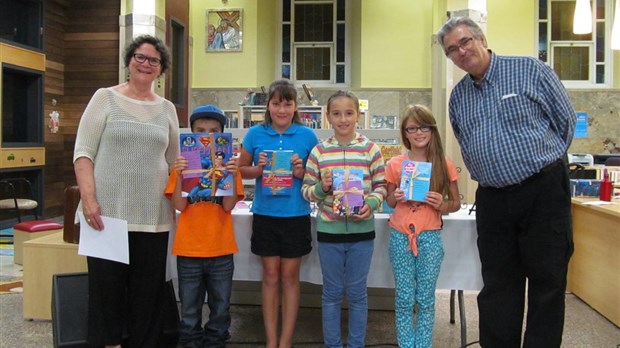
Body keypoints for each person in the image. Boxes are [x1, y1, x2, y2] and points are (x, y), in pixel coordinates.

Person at [437, 17, 576, 348]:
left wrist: (539, 164)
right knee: (498, 283)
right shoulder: (458, 98)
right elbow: (465, 141)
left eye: (465, 42)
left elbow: (566, 122)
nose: (461, 52)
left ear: (482, 39)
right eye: (452, 50)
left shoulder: (530, 70)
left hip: (542, 192)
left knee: (548, 280)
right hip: (494, 200)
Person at [73, 34, 179, 347]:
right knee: (106, 295)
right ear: (129, 61)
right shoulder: (104, 98)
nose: (146, 63)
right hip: (106, 216)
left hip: (154, 218)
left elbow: (175, 164)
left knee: (148, 297)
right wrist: (89, 200)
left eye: (154, 60)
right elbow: (83, 153)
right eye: (140, 57)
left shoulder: (167, 109)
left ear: (161, 70)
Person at [301, 90, 386, 348]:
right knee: (332, 293)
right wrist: (322, 189)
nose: (343, 119)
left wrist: (371, 204)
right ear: (328, 117)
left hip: (362, 234)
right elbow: (306, 191)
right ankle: (333, 344)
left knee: (358, 294)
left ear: (357, 115)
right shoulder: (319, 152)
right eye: (336, 114)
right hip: (329, 234)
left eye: (349, 113)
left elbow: (382, 186)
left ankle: (356, 344)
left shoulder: (371, 149)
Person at [238, 79, 319, 348]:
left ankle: (286, 342)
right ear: (268, 106)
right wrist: (258, 169)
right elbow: (240, 170)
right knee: (270, 276)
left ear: (295, 106)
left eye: (287, 104)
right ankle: (271, 342)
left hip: (296, 214)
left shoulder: (308, 136)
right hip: (265, 214)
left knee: (289, 278)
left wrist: (301, 171)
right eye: (276, 104)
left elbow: (317, 176)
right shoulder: (255, 135)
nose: (281, 110)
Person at [165, 105, 244, 348]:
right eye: (200, 131)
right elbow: (179, 204)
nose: (207, 136)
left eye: (213, 131)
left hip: (221, 249)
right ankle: (190, 342)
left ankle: (216, 342)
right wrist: (178, 174)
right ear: (191, 134)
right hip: (189, 250)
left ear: (222, 135)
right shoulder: (183, 167)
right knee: (189, 308)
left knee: (221, 307)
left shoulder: (230, 167)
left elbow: (229, 206)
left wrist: (230, 175)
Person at [384, 105, 461, 348]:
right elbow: (389, 201)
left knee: (426, 299)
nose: (418, 132)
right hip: (400, 236)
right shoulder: (395, 164)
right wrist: (395, 195)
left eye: (424, 126)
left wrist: (443, 203)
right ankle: (407, 345)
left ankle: (423, 345)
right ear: (405, 133)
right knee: (405, 298)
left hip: (429, 237)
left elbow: (456, 203)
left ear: (432, 129)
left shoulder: (443, 164)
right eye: (412, 128)